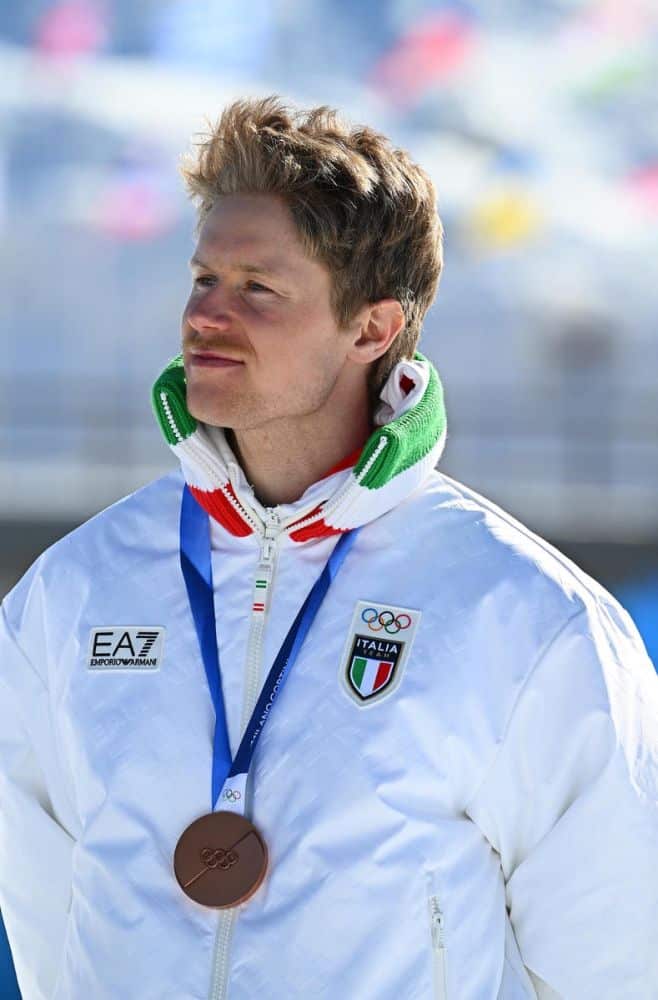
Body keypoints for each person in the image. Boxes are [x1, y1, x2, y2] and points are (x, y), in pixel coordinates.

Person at [1, 95, 657, 1000]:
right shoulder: (72, 591)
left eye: (257, 289)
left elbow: (614, 966)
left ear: (372, 330)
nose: (206, 315)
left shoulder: (530, 618)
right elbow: (48, 936)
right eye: (203, 279)